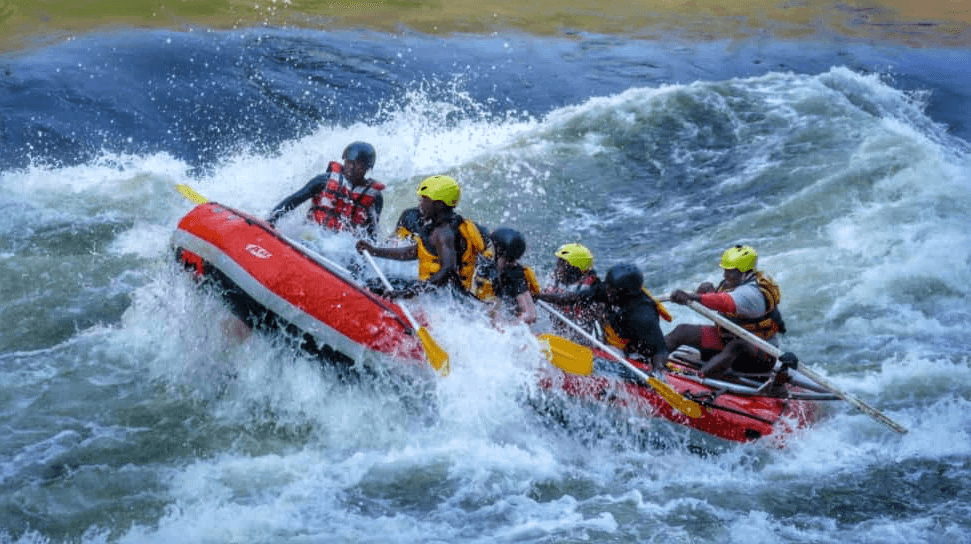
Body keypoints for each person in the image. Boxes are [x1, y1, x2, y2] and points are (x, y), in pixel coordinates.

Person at [355, 174, 486, 298]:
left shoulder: (444, 233)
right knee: (377, 282)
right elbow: (413, 252)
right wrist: (375, 251)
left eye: (424, 200)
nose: (420, 205)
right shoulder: (443, 226)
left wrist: (409, 293)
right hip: (439, 292)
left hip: (445, 298)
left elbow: (448, 270)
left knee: (375, 285)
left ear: (439, 205)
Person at [664, 244, 786, 379]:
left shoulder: (752, 294)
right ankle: (649, 358)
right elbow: (723, 298)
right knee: (683, 331)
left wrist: (694, 297)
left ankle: (698, 379)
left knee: (737, 345)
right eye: (725, 270)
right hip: (728, 340)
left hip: (760, 357)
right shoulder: (737, 283)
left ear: (743, 271)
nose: (725, 274)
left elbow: (726, 302)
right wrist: (710, 291)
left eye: (730, 271)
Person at [541, 263, 669, 370]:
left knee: (606, 357)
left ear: (626, 293)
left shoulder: (643, 315)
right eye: (607, 285)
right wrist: (540, 296)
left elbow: (660, 351)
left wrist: (656, 373)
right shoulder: (610, 290)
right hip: (615, 345)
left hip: (637, 355)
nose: (605, 291)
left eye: (610, 289)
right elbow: (572, 298)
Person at [266, 141, 384, 240]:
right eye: (349, 162)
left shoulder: (374, 197)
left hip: (343, 245)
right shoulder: (325, 180)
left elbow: (371, 231)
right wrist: (270, 221)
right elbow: (293, 200)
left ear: (368, 167)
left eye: (358, 165)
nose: (352, 167)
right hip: (313, 233)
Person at [538, 243, 605, 339]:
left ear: (576, 269)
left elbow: (567, 299)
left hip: (586, 337)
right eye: (558, 263)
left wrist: (537, 295)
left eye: (562, 265)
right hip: (560, 332)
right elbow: (546, 295)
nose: (558, 269)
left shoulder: (592, 287)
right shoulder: (555, 278)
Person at [476, 227, 539, 324]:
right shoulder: (483, 268)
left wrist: (508, 326)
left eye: (513, 260)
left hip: (504, 323)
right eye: (508, 259)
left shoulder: (515, 273)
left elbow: (531, 315)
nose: (512, 264)